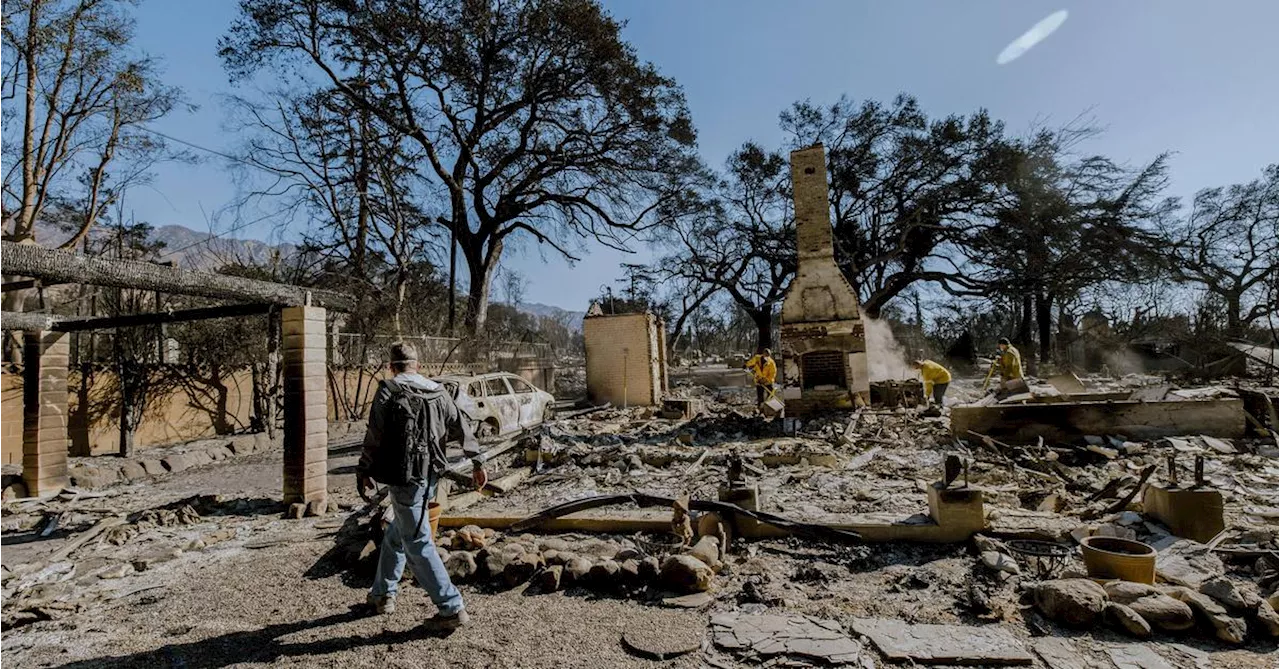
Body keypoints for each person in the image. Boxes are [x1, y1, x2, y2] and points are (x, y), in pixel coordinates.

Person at [357, 341, 486, 631]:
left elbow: (374, 435)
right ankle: (382, 595)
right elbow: (462, 427)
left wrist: (363, 470)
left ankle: (451, 607)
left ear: (392, 367)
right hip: (431, 476)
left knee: (416, 541)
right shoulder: (438, 390)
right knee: (397, 533)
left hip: (404, 478)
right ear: (418, 365)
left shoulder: (388, 390)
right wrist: (477, 462)